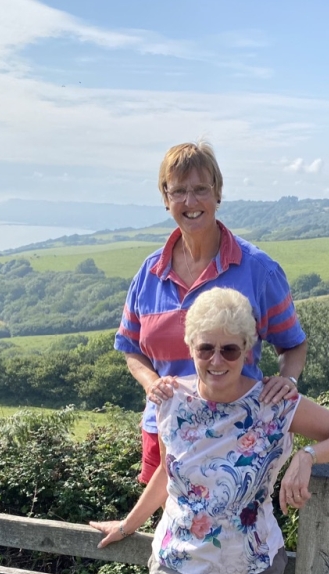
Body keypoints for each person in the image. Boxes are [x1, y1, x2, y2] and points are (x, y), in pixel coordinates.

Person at [92, 287, 329, 574]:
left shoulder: (275, 403)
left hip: (249, 572)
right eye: (205, 348)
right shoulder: (169, 400)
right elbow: (166, 471)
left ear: (247, 348)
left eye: (229, 349)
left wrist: (308, 456)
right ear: (190, 346)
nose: (216, 360)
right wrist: (129, 525)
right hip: (178, 566)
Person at [114, 141, 307, 485]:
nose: (190, 202)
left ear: (218, 193)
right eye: (179, 191)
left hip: (234, 432)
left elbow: (292, 343)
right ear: (166, 197)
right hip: (164, 429)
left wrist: (287, 380)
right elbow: (130, 347)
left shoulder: (258, 270)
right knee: (168, 530)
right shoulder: (149, 273)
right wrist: (152, 383)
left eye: (201, 189)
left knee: (226, 531)